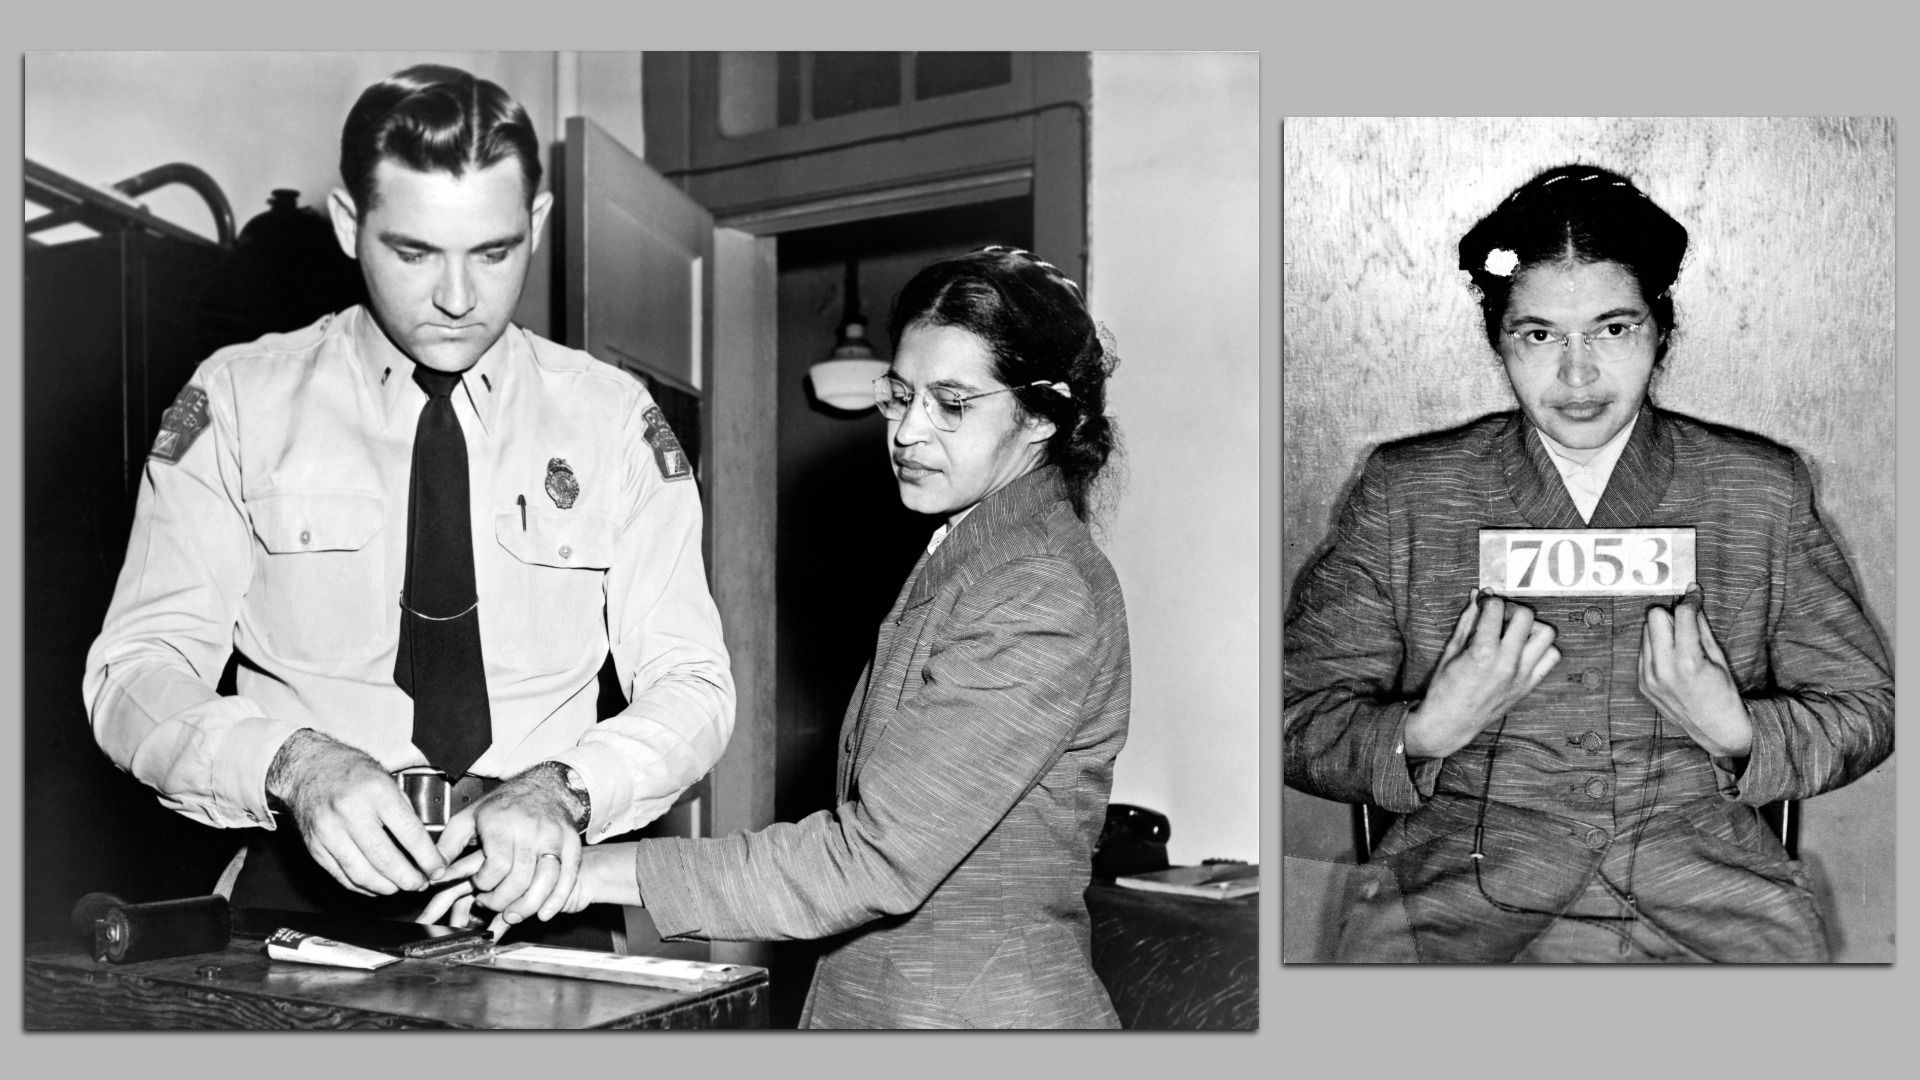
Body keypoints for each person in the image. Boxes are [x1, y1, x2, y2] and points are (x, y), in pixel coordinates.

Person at [83, 64, 734, 934]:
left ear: (536, 223)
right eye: (415, 252)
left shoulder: (613, 421)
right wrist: (295, 765)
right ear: (351, 224)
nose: (459, 299)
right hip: (294, 903)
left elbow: (692, 684)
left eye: (495, 253)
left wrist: (568, 788)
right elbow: (134, 674)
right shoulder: (240, 401)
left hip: (538, 899)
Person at [427, 245, 1130, 1026]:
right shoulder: (975, 552)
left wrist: (581, 871)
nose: (907, 431)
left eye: (953, 403)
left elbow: (874, 858)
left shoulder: (1038, 587)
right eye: (900, 395)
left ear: (1039, 414)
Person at [1283, 165, 1893, 963]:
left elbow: (1866, 708)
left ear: (1660, 330)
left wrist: (1739, 730)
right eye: (1539, 335)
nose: (1577, 375)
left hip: (1707, 881)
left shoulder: (1760, 490)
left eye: (1613, 329)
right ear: (1498, 340)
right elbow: (1294, 718)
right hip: (1459, 888)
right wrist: (1429, 730)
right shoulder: (1409, 493)